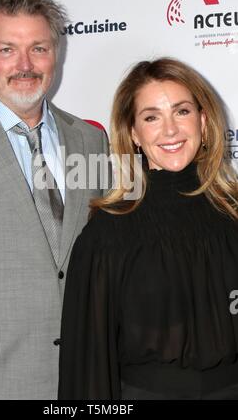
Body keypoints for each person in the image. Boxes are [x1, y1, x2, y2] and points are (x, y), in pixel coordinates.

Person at [0, 0, 109, 400]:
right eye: (6, 50)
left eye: (39, 48)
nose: (25, 65)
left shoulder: (90, 140)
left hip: (83, 377)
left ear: (57, 54)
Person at [58, 57, 238, 400]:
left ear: (203, 120)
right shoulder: (106, 236)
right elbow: (87, 365)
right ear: (134, 134)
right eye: (152, 117)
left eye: (182, 112)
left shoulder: (233, 216)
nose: (170, 130)